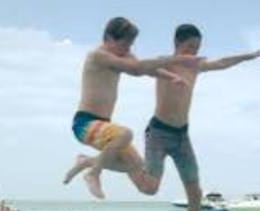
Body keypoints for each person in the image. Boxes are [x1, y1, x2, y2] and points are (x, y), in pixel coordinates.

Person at [140, 24, 260, 211]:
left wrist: (247, 56)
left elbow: (222, 62)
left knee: (195, 192)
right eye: (190, 47)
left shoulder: (195, 66)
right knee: (150, 187)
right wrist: (170, 66)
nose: (194, 53)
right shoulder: (164, 63)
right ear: (177, 44)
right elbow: (142, 67)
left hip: (182, 136)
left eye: (197, 48)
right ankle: (122, 159)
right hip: (158, 133)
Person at [63, 16, 198, 199]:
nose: (128, 49)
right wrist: (176, 61)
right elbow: (136, 68)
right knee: (125, 134)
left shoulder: (122, 54)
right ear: (109, 38)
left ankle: (87, 161)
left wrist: (172, 77)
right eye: (124, 44)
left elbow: (143, 69)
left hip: (104, 126)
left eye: (131, 45)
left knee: (138, 168)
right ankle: (94, 173)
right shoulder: (98, 56)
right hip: (85, 123)